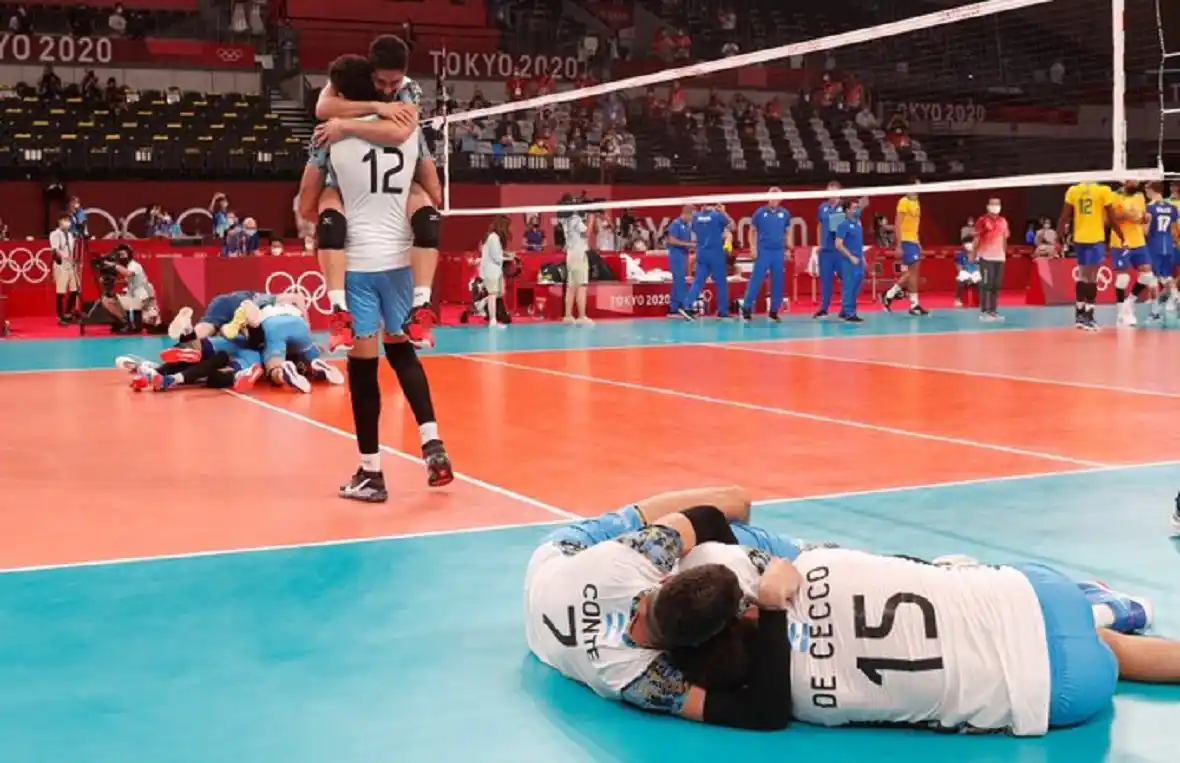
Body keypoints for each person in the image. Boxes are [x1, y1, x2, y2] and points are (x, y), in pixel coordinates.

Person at [666, 542, 1178, 736]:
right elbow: (907, 565)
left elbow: (764, 707)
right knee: (953, 576)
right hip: (1042, 596)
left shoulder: (801, 702)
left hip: (1061, 695)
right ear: (747, 606)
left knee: (1090, 650)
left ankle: (1101, 620)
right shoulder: (817, 564)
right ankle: (1101, 607)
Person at [524, 487, 796, 730]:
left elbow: (707, 517)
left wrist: (736, 558)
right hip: (556, 575)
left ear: (665, 578)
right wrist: (771, 604)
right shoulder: (635, 675)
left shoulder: (637, 555)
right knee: (739, 506)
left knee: (736, 503)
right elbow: (764, 713)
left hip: (556, 566)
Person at [319, 53, 452, 501]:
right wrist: (425, 193)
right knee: (402, 353)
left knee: (363, 370)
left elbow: (308, 198)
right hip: (399, 263)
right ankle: (432, 442)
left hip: (358, 265)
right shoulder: (406, 129)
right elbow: (412, 151)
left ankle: (371, 472)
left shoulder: (333, 138)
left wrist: (343, 128)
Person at [304, 34, 444, 352]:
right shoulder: (353, 86)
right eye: (381, 82)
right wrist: (378, 106)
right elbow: (322, 107)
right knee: (331, 212)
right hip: (354, 183)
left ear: (404, 75)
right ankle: (341, 312)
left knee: (431, 203)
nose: (388, 89)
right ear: (370, 73)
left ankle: (420, 305)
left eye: (394, 82)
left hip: (392, 169)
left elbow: (401, 132)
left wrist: (345, 126)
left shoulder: (408, 89)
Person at [1059, 181, 1118, 331]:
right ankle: (1089, 316)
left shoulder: (1073, 190)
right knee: (1091, 277)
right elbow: (1111, 218)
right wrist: (1122, 236)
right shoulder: (1103, 190)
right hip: (1095, 239)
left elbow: (1065, 216)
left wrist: (1059, 237)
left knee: (1083, 276)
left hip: (1079, 238)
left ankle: (1079, 313)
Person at [742, 188, 790, 323]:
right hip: (764, 251)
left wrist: (787, 248)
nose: (774, 199)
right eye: (771, 196)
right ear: (767, 197)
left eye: (777, 197)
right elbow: (751, 230)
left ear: (781, 199)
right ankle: (746, 308)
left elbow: (787, 231)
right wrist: (752, 247)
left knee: (778, 281)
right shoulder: (760, 212)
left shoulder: (785, 213)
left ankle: (773, 312)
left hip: (778, 252)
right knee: (756, 280)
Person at [882, 179, 928, 316]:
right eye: (916, 186)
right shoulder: (904, 201)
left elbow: (914, 226)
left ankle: (889, 295)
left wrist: (918, 243)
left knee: (913, 273)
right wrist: (899, 244)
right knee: (913, 273)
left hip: (914, 241)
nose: (918, 189)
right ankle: (914, 305)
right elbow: (898, 224)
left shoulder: (916, 203)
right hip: (906, 241)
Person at [1110, 181, 1152, 327]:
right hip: (1120, 242)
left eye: (1137, 180)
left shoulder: (1140, 196)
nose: (1136, 182)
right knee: (1123, 279)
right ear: (1125, 181)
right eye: (1133, 179)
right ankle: (1121, 312)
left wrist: (1139, 217)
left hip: (1138, 241)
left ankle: (1130, 302)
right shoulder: (1114, 196)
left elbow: (1142, 217)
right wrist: (1131, 215)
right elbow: (1114, 217)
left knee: (1147, 275)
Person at [683, 204, 733, 318]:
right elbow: (732, 225)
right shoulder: (717, 215)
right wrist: (723, 212)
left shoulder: (695, 217)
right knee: (721, 283)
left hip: (702, 253)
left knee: (698, 282)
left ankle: (687, 306)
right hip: (716, 254)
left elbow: (694, 229)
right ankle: (723, 311)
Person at [1144, 182, 1179, 319]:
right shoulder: (1172, 207)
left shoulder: (1150, 207)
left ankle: (1155, 311)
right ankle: (1177, 298)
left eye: (1147, 191)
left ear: (1151, 190)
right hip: (1169, 244)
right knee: (1166, 276)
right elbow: (1176, 228)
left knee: (1152, 277)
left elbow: (1145, 231)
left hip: (1155, 245)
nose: (1146, 193)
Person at [974, 197, 1010, 322]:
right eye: (993, 204)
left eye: (998, 204)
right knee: (986, 284)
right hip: (985, 256)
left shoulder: (1003, 221)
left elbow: (1005, 238)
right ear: (988, 206)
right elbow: (976, 238)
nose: (995, 206)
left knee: (996, 285)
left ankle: (993, 311)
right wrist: (974, 254)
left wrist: (1004, 254)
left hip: (999, 257)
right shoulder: (982, 220)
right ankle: (984, 311)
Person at [813, 182, 843, 319]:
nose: (830, 194)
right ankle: (824, 308)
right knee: (825, 281)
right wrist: (820, 244)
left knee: (846, 280)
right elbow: (819, 225)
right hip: (825, 251)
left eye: (833, 191)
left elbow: (837, 229)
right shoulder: (822, 207)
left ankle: (847, 309)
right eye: (828, 191)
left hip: (840, 250)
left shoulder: (844, 207)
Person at [833, 199, 865, 323]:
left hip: (859, 261)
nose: (857, 210)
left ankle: (844, 311)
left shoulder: (858, 225)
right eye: (855, 207)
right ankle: (849, 313)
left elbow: (858, 244)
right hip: (849, 262)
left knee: (856, 287)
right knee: (849, 287)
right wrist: (851, 257)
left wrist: (862, 258)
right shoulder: (843, 225)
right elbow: (838, 244)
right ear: (847, 210)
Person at [479, 215, 511, 330]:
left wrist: (505, 255)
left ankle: (483, 308)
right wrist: (509, 258)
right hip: (491, 271)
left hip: (494, 271)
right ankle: (492, 320)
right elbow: (496, 257)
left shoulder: (493, 237)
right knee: (492, 295)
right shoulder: (493, 237)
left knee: (497, 294)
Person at [48, 213, 79, 325]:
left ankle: (68, 313)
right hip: (61, 264)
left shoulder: (70, 235)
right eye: (65, 220)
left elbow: (72, 249)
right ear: (60, 221)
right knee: (61, 292)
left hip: (71, 265)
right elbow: (55, 249)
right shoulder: (54, 234)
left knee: (75, 290)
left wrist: (73, 259)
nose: (68, 222)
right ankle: (61, 316)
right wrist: (65, 256)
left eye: (69, 220)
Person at [666, 205, 695, 319]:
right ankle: (685, 307)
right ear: (686, 214)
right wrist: (689, 244)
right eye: (692, 216)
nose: (693, 219)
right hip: (676, 255)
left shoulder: (687, 225)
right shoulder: (676, 224)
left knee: (678, 280)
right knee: (680, 281)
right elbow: (671, 240)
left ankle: (674, 309)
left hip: (684, 255)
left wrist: (691, 246)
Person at [954, 242, 980, 307]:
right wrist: (968, 277)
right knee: (960, 282)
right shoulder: (960, 256)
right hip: (965, 272)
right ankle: (957, 299)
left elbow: (979, 268)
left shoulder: (978, 256)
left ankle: (981, 300)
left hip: (975, 273)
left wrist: (974, 277)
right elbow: (960, 269)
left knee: (981, 282)